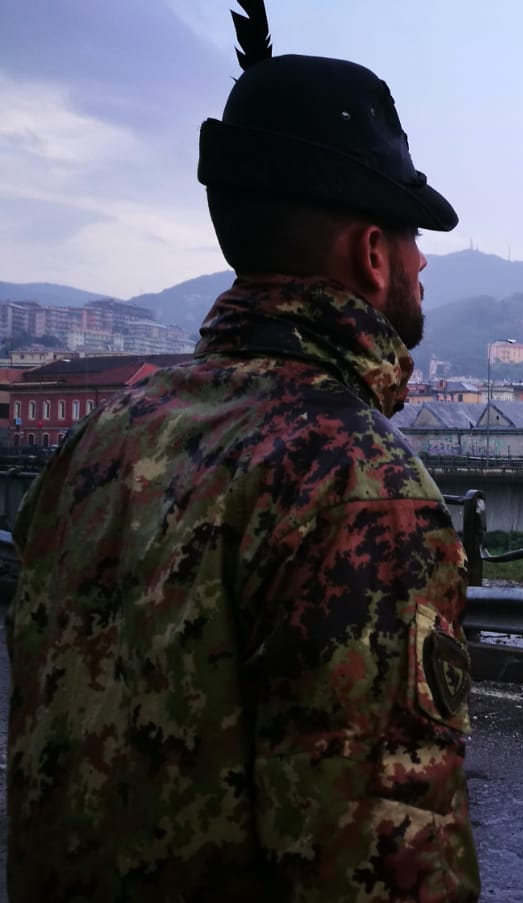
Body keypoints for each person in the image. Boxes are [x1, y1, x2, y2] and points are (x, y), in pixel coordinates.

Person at [5, 5, 480, 900]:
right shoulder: (358, 484)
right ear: (373, 254)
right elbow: (380, 858)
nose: (425, 264)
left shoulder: (98, 447)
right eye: (415, 236)